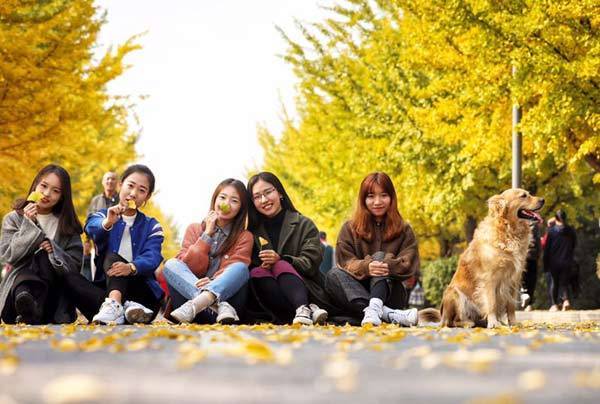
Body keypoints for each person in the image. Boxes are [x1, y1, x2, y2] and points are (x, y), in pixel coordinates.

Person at [62, 164, 164, 324]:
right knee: (69, 277)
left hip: (143, 295)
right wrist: (108, 222)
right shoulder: (103, 215)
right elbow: (90, 227)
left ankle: (118, 307)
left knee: (113, 258)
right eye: (130, 186)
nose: (133, 193)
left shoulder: (152, 225)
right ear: (120, 185)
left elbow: (153, 257)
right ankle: (119, 309)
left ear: (147, 196)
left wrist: (130, 267)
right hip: (105, 294)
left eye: (142, 190)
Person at [326, 172, 419, 327]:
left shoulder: (404, 229)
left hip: (392, 292)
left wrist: (386, 265)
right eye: (370, 196)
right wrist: (366, 268)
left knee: (380, 256)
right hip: (356, 291)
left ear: (391, 198)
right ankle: (387, 314)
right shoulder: (349, 228)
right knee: (332, 275)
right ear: (363, 200)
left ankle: (377, 310)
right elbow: (345, 261)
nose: (377, 202)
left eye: (383, 195)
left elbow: (409, 263)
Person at [0, 164, 83, 324]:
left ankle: (32, 309)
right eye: (43, 186)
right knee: (27, 266)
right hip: (15, 297)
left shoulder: (67, 225)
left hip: (52, 300)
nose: (46, 194)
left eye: (56, 191)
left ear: (62, 196)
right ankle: (26, 304)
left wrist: (54, 251)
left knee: (44, 256)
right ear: (35, 185)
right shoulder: (13, 218)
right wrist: (28, 225)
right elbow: (8, 257)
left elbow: (75, 265)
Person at [163, 179, 253, 324]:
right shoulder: (194, 229)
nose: (226, 204)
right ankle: (214, 303)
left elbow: (235, 270)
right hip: (193, 310)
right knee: (171, 264)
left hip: (227, 309)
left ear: (241, 208)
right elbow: (189, 267)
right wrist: (207, 234)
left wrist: (212, 281)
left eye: (234, 200)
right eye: (222, 197)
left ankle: (209, 300)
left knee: (240, 268)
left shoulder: (244, 236)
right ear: (215, 199)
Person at [246, 172, 330, 325]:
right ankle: (306, 311)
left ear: (279, 192)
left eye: (268, 192)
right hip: (269, 296)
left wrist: (283, 259)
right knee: (257, 271)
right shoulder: (251, 232)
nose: (264, 200)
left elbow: (311, 262)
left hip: (307, 288)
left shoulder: (304, 224)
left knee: (280, 264)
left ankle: (303, 307)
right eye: (257, 196)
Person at [83, 171, 120, 281]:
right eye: (107, 179)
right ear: (103, 182)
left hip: (116, 243)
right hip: (98, 243)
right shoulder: (96, 200)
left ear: (117, 182)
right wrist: (86, 241)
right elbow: (89, 221)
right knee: (96, 270)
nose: (110, 181)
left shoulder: (121, 200)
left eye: (113, 179)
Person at [543, 210, 577, 311]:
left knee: (554, 282)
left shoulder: (551, 232)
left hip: (553, 261)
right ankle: (566, 301)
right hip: (567, 260)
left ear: (555, 218)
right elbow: (574, 244)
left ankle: (554, 305)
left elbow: (547, 248)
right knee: (564, 282)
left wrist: (545, 263)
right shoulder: (570, 230)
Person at [520, 221, 541, 311]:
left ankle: (524, 293)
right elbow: (539, 243)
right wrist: (539, 256)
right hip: (533, 256)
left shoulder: (519, 223)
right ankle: (529, 304)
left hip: (523, 256)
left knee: (522, 278)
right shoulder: (535, 227)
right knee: (532, 279)